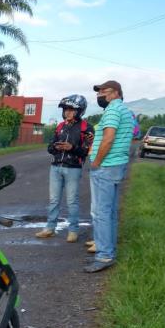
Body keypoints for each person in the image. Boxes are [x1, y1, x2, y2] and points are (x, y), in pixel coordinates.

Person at [84, 80, 134, 273]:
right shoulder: (125, 111)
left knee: (101, 213)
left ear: (116, 93)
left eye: (104, 91)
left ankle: (104, 255)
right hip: (116, 166)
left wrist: (96, 162)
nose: (100, 95)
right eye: (99, 92)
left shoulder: (113, 110)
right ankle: (109, 251)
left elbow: (109, 138)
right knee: (110, 212)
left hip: (105, 167)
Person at [35, 95, 94, 243]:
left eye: (71, 110)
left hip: (73, 168)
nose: (67, 112)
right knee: (53, 200)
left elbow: (87, 151)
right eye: (65, 109)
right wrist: (55, 147)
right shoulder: (60, 126)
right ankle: (50, 228)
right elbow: (49, 147)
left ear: (79, 111)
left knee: (72, 201)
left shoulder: (86, 128)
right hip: (55, 167)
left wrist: (71, 148)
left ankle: (73, 231)